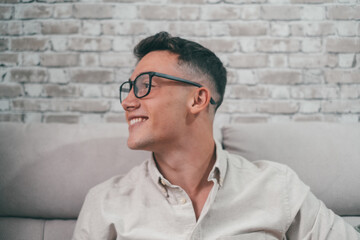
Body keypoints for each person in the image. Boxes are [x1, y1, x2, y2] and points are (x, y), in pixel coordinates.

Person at [72, 32, 359, 240]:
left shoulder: (277, 186)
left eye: (145, 85)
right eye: (129, 87)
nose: (128, 102)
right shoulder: (105, 202)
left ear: (197, 100)